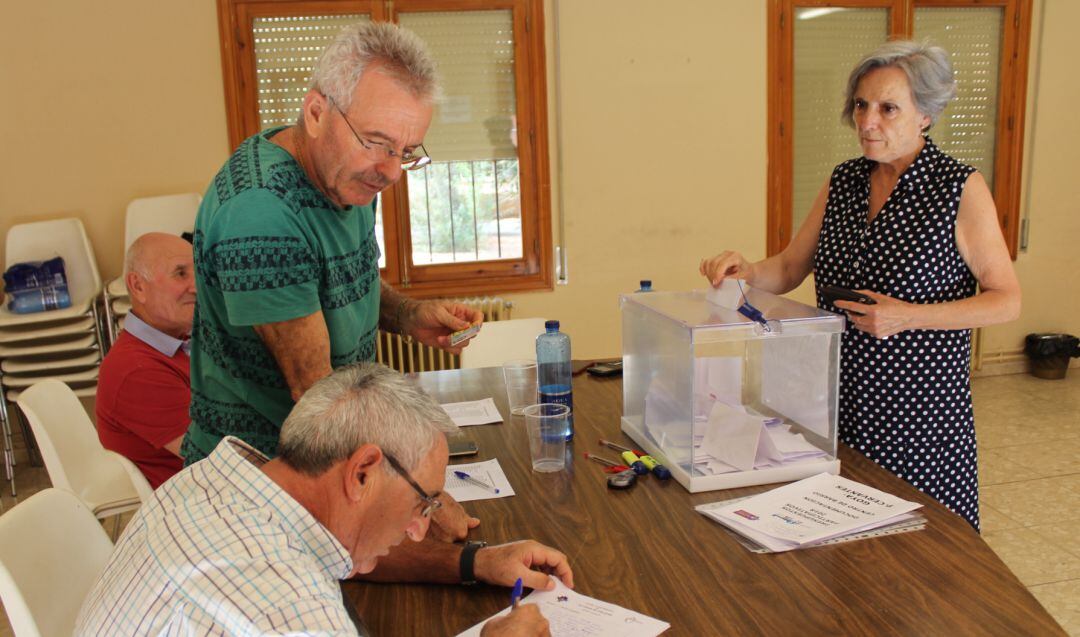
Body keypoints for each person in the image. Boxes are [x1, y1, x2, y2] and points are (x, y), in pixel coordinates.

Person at [699, 41, 1020, 531]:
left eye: (888, 108)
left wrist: (909, 315)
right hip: (835, 400)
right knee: (843, 546)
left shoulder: (958, 188)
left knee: (922, 557)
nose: (868, 120)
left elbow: (1006, 301)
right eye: (861, 105)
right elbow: (789, 267)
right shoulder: (844, 180)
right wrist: (746, 269)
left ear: (926, 116)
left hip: (918, 413)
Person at [184, 22, 483, 536]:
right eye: (377, 142)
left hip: (323, 468)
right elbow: (319, 395)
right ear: (317, 112)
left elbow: (352, 280)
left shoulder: (344, 177)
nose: (390, 170)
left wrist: (409, 316)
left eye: (407, 151)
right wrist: (423, 497)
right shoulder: (262, 214)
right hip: (255, 492)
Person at [77, 363, 567, 635]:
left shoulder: (209, 481)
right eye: (424, 502)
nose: (420, 530)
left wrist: (474, 562)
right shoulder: (290, 609)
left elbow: (343, 552)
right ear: (361, 473)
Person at [96, 232, 196, 488]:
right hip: (192, 499)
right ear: (138, 286)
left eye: (198, 272)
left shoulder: (178, 342)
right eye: (181, 274)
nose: (197, 287)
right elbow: (214, 456)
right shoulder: (137, 370)